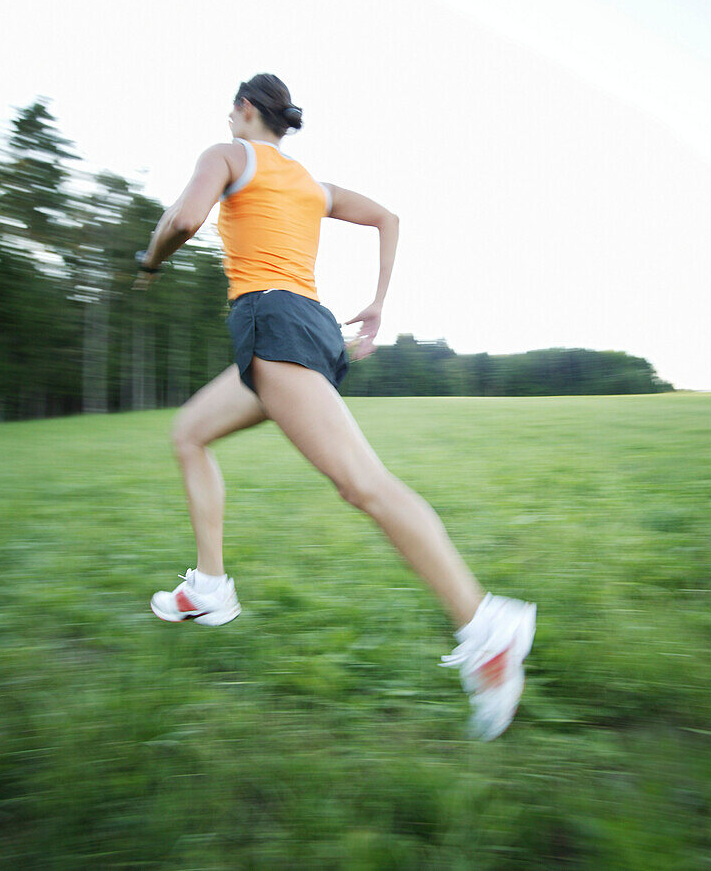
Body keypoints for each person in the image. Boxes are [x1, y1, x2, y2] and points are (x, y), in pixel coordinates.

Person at [135, 73, 536, 740]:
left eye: (230, 111)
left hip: (273, 326)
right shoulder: (307, 183)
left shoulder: (227, 153)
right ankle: (209, 587)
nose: (227, 119)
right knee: (190, 433)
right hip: (300, 332)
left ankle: (484, 624)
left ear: (244, 110)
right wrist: (377, 303)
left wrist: (148, 262)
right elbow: (388, 217)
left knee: (363, 484)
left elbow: (182, 219)